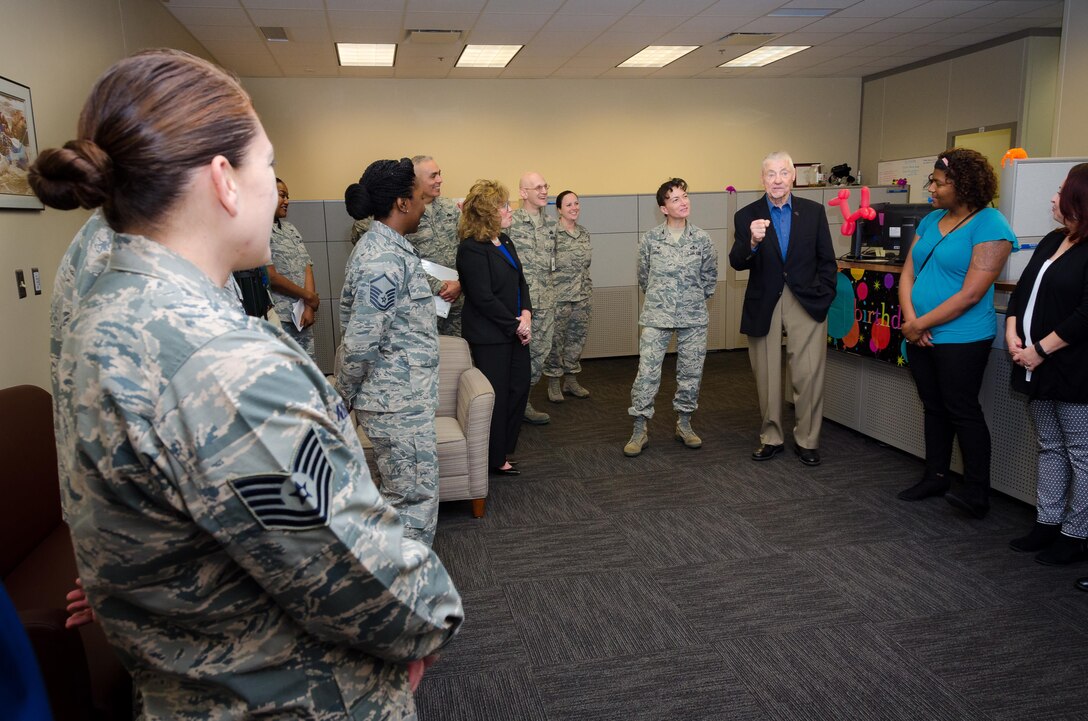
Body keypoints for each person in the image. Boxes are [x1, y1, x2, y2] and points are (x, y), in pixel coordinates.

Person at [29, 49, 461, 718]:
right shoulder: (226, 365)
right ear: (224, 179)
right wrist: (427, 620)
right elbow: (359, 571)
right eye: (269, 164)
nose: (274, 187)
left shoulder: (102, 300)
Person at [896, 148, 1016, 519]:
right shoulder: (932, 220)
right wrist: (913, 321)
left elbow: (972, 293)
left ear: (962, 184)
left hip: (962, 337)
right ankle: (936, 475)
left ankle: (977, 492)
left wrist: (920, 324)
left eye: (937, 182)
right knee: (933, 407)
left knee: (962, 410)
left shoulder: (990, 224)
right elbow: (907, 274)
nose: (930, 187)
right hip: (921, 334)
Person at [337, 158, 441, 546]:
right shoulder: (382, 258)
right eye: (418, 197)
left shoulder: (393, 249)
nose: (423, 204)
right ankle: (407, 592)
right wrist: (342, 397)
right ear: (401, 202)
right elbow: (361, 342)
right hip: (396, 405)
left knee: (396, 500)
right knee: (412, 504)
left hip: (401, 401)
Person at [730, 151, 837, 467]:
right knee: (766, 377)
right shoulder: (747, 215)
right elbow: (737, 262)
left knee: (809, 375)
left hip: (807, 301)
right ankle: (771, 437)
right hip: (765, 302)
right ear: (762, 179)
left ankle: (807, 440)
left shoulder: (814, 212)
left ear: (793, 177)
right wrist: (751, 241)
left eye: (783, 173)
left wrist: (825, 295)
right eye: (770, 174)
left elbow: (827, 260)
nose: (777, 180)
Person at [1006, 163, 1088, 565]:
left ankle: (1075, 534)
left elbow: (1086, 314)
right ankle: (1048, 522)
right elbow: (1023, 291)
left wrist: (1039, 349)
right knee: (1050, 447)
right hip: (1035, 365)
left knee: (1081, 455)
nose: (1053, 198)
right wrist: (1011, 331)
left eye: (1061, 190)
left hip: (1073, 369)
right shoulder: (1053, 239)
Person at [624, 178, 717, 457]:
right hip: (656, 315)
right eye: (675, 199)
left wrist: (692, 301)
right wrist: (661, 299)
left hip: (693, 317)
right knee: (647, 374)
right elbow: (644, 276)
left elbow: (710, 279)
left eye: (685, 196)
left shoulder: (702, 239)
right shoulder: (651, 239)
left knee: (691, 373)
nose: (683, 202)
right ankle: (639, 429)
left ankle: (685, 424)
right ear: (663, 208)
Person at [457, 180, 532, 476]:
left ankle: (503, 449)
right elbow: (482, 297)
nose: (509, 209)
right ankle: (492, 456)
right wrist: (515, 325)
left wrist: (525, 313)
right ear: (488, 212)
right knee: (496, 396)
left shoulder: (506, 241)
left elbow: (520, 281)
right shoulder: (471, 249)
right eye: (503, 205)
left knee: (519, 389)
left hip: (515, 329)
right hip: (491, 336)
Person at [507, 171, 557, 425]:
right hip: (518, 303)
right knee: (515, 356)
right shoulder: (510, 223)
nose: (544, 191)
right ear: (523, 193)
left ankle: (523, 401)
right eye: (537, 187)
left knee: (541, 352)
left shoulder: (551, 224)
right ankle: (510, 405)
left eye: (545, 186)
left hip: (546, 301)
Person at [545, 190, 593, 402]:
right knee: (556, 341)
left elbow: (586, 267)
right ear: (559, 210)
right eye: (569, 205)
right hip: (559, 297)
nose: (574, 208)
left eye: (576, 203)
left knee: (576, 340)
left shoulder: (584, 233)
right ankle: (554, 382)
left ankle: (571, 380)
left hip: (582, 297)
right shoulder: (552, 233)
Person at [267, 177, 320, 364]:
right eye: (282, 195)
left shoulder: (290, 229)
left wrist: (309, 305)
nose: (287, 201)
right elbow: (270, 276)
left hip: (302, 316)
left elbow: (307, 266)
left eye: (288, 196)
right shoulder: (258, 231)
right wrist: (308, 296)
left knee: (308, 368)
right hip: (279, 318)